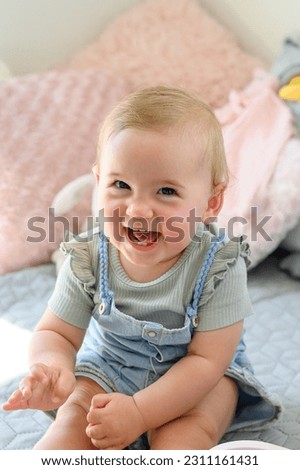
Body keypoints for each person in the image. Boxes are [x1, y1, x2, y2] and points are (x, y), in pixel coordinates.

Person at [2, 86, 280, 450]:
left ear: (211, 202)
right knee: (70, 426)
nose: (138, 210)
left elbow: (207, 361)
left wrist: (140, 413)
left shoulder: (220, 266)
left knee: (184, 437)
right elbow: (58, 333)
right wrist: (53, 368)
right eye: (121, 185)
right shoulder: (87, 256)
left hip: (196, 382)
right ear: (98, 182)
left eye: (165, 191)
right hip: (108, 366)